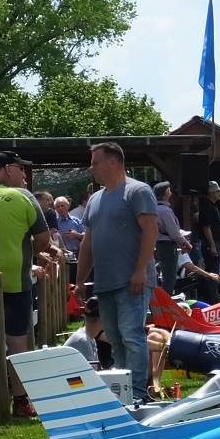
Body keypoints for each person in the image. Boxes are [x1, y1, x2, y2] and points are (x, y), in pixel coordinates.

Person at [0, 151, 52, 418]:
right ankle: (20, 400)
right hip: (14, 279)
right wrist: (29, 251)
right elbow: (43, 239)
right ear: (5, 169)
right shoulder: (24, 198)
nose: (25, 176)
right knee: (18, 342)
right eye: (20, 169)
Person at [75, 142, 158, 403]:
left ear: (113, 162)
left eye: (95, 162)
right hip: (105, 283)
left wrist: (140, 270)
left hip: (132, 280)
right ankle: (124, 393)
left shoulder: (137, 191)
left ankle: (137, 394)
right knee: (116, 339)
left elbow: (150, 230)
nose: (92, 168)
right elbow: (88, 242)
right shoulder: (96, 199)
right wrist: (79, 281)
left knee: (132, 335)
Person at [153, 181, 191, 294]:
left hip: (157, 245)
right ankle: (166, 302)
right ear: (166, 193)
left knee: (159, 275)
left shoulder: (153, 209)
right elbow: (174, 233)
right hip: (168, 246)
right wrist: (185, 243)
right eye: (169, 190)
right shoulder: (165, 211)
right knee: (169, 277)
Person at [196, 181, 220, 301]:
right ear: (211, 192)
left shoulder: (211, 205)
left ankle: (214, 295)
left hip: (215, 242)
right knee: (212, 270)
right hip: (210, 244)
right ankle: (213, 298)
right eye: (218, 191)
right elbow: (206, 227)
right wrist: (212, 245)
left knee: (215, 269)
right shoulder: (207, 206)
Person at [54, 196, 85, 281]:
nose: (60, 208)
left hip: (77, 256)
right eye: (57, 206)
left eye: (62, 205)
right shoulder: (54, 224)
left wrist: (77, 235)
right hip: (62, 258)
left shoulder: (77, 221)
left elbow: (87, 237)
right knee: (65, 283)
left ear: (68, 206)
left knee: (77, 281)